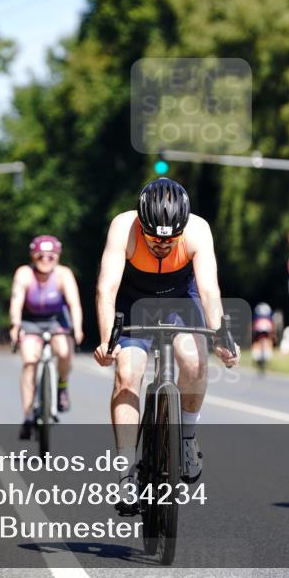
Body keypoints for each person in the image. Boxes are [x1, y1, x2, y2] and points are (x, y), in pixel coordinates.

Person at [94, 178, 238, 498]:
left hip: (179, 300)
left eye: (171, 239)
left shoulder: (198, 230)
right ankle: (126, 470)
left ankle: (186, 436)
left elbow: (209, 289)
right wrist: (107, 340)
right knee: (127, 374)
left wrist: (221, 336)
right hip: (135, 303)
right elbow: (106, 288)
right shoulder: (123, 227)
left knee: (194, 362)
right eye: (154, 238)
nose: (162, 245)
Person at [9, 235, 84, 439]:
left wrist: (77, 329)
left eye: (51, 256)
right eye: (40, 255)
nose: (46, 260)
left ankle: (62, 385)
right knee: (29, 361)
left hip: (57, 320)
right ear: (33, 256)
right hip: (30, 320)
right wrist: (15, 325)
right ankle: (27, 416)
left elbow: (74, 304)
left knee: (64, 351)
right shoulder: (24, 274)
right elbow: (16, 302)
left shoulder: (63, 275)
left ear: (57, 257)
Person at [252, 302, 275, 373]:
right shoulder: (268, 315)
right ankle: (267, 355)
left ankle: (257, 355)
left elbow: (254, 324)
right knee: (269, 339)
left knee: (256, 340)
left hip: (259, 328)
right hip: (266, 328)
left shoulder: (257, 312)